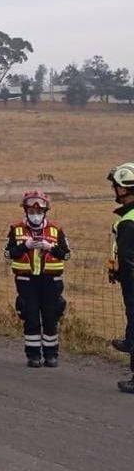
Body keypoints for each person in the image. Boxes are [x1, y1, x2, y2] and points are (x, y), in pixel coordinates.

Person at [4, 190, 71, 367]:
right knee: (31, 318)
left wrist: (50, 247)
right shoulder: (16, 230)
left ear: (45, 212)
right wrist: (24, 246)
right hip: (26, 282)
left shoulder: (56, 231)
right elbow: (8, 253)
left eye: (39, 212)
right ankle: (33, 355)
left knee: (51, 318)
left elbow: (66, 255)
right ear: (26, 211)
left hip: (51, 282)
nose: (35, 216)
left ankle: (51, 355)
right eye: (32, 212)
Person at [107, 162, 134, 393]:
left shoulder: (128, 221)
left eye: (116, 185)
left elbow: (127, 257)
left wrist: (121, 274)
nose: (114, 190)